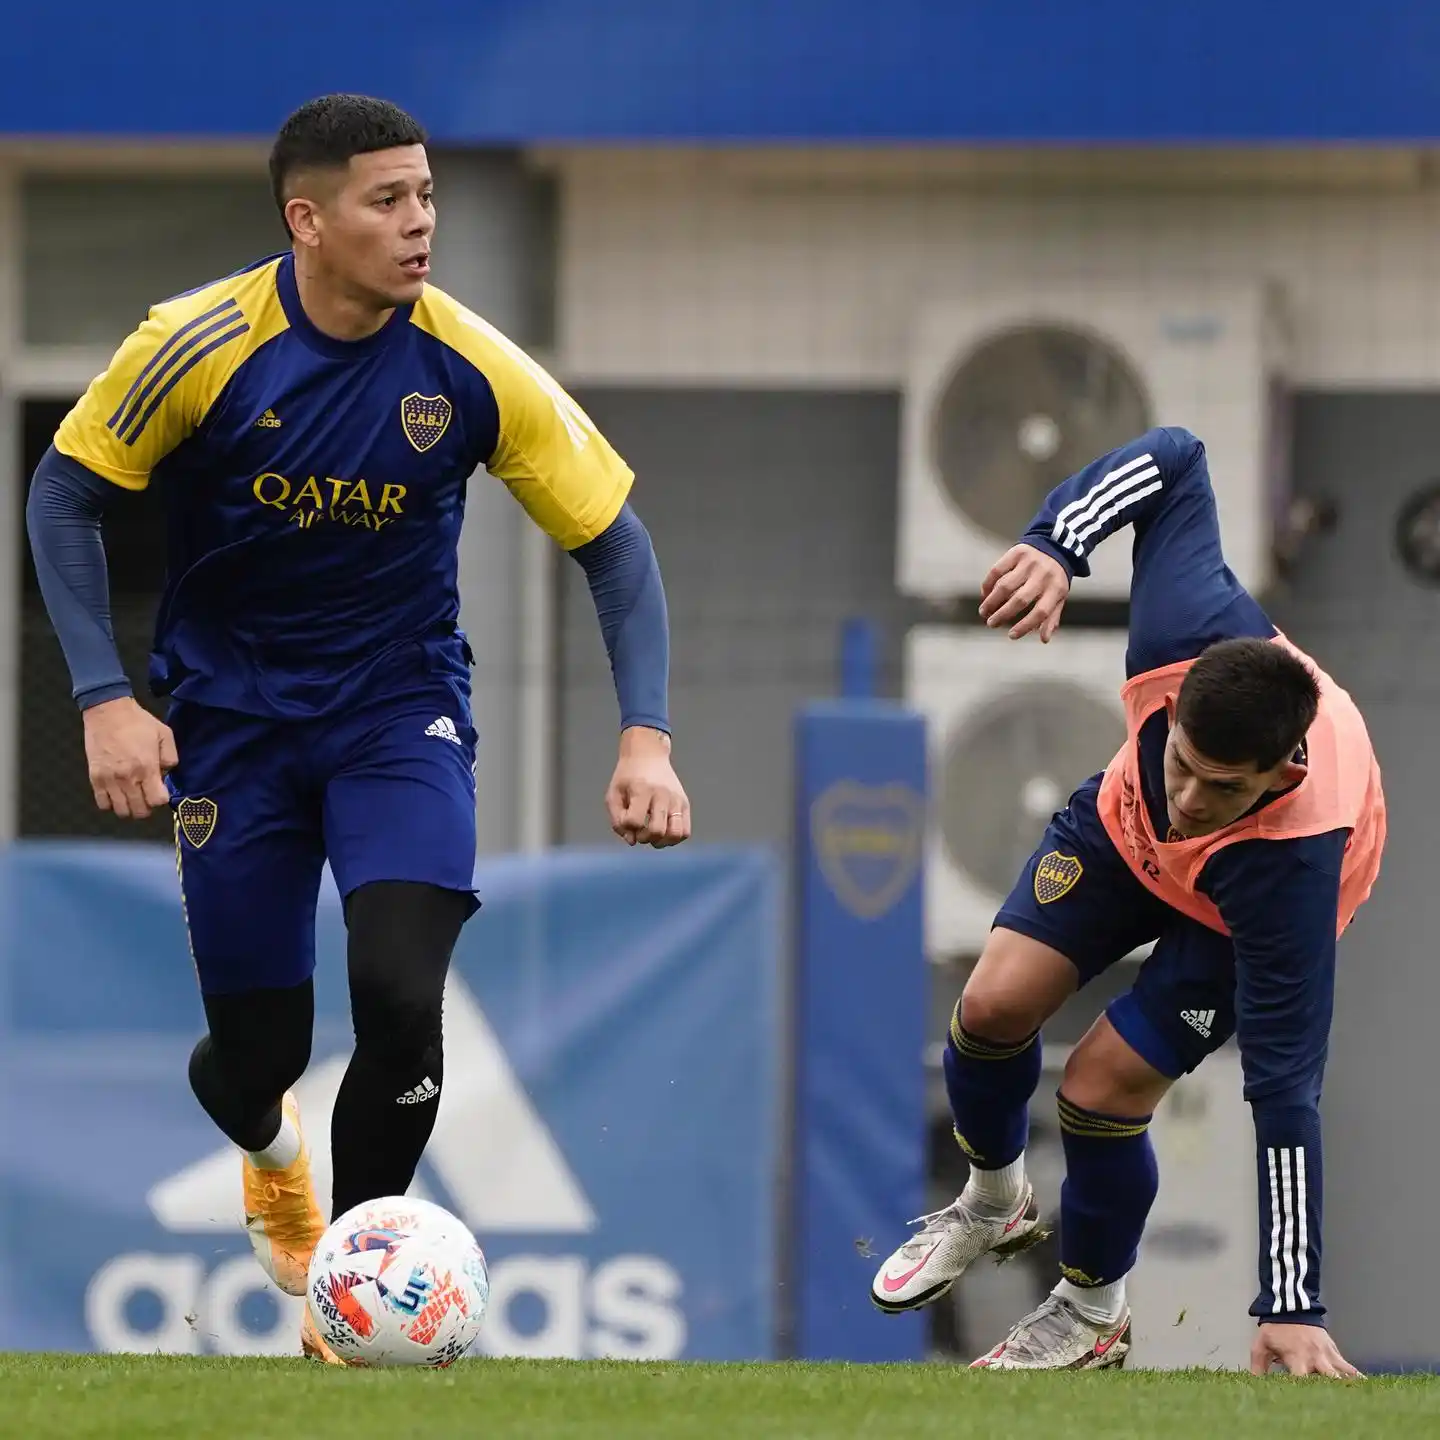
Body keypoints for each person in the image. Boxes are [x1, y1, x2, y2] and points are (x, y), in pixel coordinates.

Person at [26, 94, 689, 1363]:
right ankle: (274, 1155)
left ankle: (353, 1305)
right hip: (232, 727)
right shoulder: (197, 344)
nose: (421, 222)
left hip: (401, 715)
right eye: (389, 200)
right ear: (307, 220)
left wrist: (645, 735)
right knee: (253, 1053)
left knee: (396, 991)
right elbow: (63, 495)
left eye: (428, 195)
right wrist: (106, 697)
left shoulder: (473, 367)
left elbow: (616, 546)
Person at [869, 426, 1384, 1378]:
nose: (1190, 801)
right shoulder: (1181, 627)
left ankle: (1091, 1314)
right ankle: (992, 1202)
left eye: (1223, 787)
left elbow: (1284, 1091)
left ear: (1284, 770)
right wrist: (1058, 543)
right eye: (1183, 762)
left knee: (1099, 1087)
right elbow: (1180, 456)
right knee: (989, 1006)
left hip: (1230, 911)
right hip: (1118, 831)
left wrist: (1293, 1303)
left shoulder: (1294, 874)